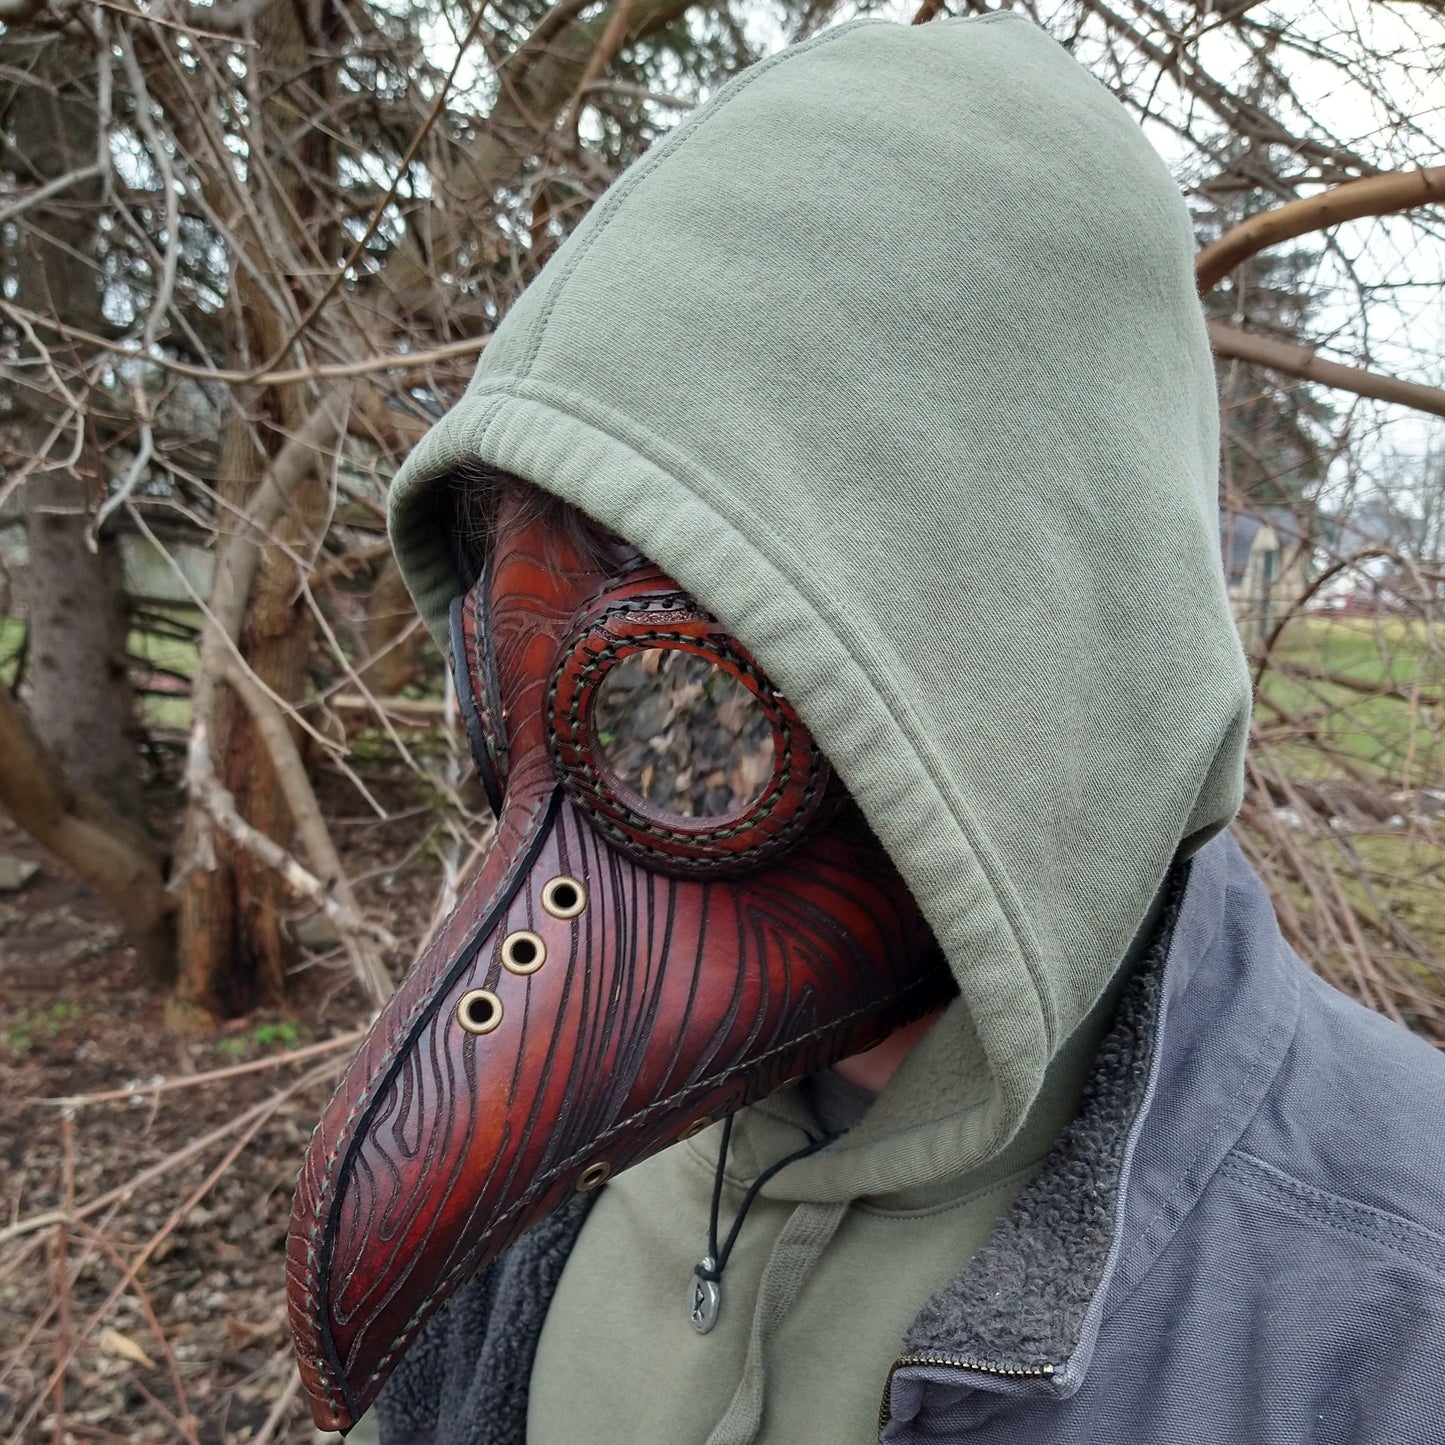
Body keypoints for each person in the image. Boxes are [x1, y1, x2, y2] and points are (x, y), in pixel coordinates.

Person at [290, 13, 1445, 1444]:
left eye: (679, 720)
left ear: (1011, 660)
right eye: (497, 682)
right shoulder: (555, 1178)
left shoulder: (1385, 1301)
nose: (559, 863)